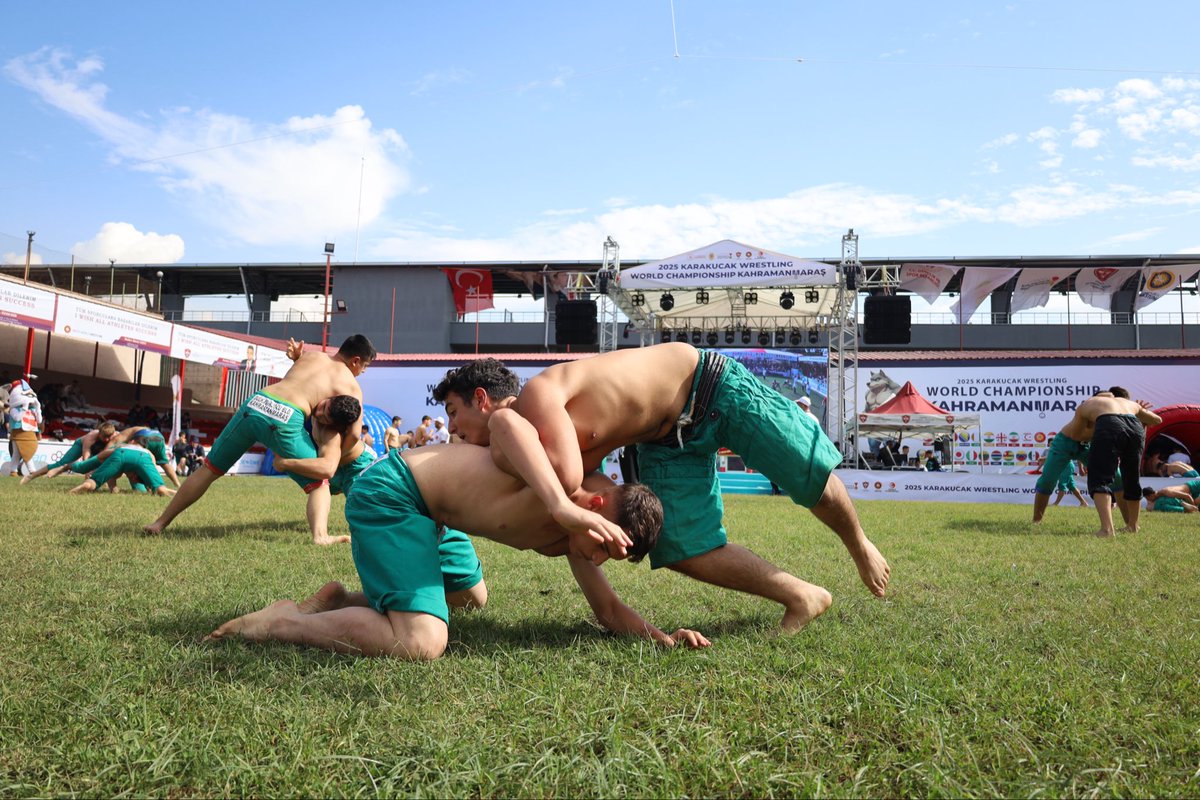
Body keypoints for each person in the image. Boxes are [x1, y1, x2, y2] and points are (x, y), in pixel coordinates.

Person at [432, 343, 890, 633]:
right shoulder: (527, 443)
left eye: (454, 412)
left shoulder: (536, 397)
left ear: (482, 399)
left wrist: (528, 476)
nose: (454, 430)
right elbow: (595, 501)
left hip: (710, 388)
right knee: (676, 545)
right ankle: (802, 595)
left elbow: (570, 482)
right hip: (665, 443)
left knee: (809, 478)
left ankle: (859, 543)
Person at [208, 421, 709, 660]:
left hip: (434, 514)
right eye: (607, 544)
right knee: (423, 642)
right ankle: (283, 621)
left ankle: (339, 601)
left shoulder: (580, 536)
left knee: (471, 597)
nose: (597, 555)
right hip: (395, 494)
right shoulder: (564, 479)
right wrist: (558, 503)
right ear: (600, 507)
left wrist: (665, 639)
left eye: (609, 554)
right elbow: (507, 421)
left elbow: (610, 612)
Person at [143, 335, 376, 544]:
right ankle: (321, 536)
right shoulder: (350, 385)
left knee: (208, 469)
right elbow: (355, 433)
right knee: (319, 483)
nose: (361, 372)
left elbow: (303, 380)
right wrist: (340, 455)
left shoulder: (312, 356)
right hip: (286, 416)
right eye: (364, 367)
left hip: (256, 402)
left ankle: (160, 523)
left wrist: (296, 357)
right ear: (355, 360)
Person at [1080, 387, 1162, 537]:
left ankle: (1107, 529)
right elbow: (1157, 420)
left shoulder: (1092, 403)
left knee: (1099, 478)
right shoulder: (1131, 405)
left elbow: (1079, 433)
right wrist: (1139, 412)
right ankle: (1133, 526)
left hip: (1109, 424)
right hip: (1135, 427)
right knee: (1132, 478)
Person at [20, 421, 117, 485]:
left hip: (99, 450)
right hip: (80, 445)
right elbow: (86, 456)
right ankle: (31, 475)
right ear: (99, 433)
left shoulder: (117, 437)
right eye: (104, 437)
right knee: (61, 463)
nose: (107, 440)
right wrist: (87, 472)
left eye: (109, 437)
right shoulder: (91, 437)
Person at [67, 441, 176, 497]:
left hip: (120, 453)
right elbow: (153, 472)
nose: (133, 478)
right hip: (143, 458)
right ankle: (178, 493)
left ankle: (86, 486)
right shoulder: (148, 454)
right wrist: (154, 486)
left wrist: (112, 488)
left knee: (93, 482)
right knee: (160, 488)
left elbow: (104, 458)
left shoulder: (122, 447)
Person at [111, 425, 182, 487]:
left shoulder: (124, 434)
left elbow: (114, 440)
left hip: (144, 438)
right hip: (159, 437)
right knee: (164, 463)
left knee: (134, 464)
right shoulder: (143, 430)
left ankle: (143, 487)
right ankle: (177, 484)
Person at [6, 378, 43, 478]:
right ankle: (32, 471)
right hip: (18, 434)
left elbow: (39, 421)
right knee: (24, 452)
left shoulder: (32, 410)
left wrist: (38, 408)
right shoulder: (14, 409)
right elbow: (17, 418)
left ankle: (13, 471)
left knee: (17, 454)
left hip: (30, 434)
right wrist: (24, 407)